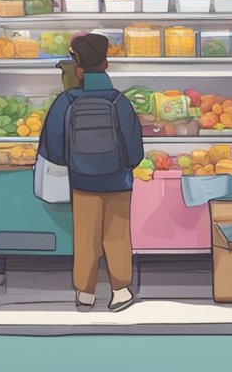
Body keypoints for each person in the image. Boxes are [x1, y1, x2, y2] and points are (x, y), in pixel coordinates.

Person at [46, 33, 144, 313]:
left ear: (77, 66)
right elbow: (135, 148)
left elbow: (53, 144)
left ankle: (86, 294)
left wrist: (74, 161)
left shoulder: (66, 101)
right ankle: (121, 291)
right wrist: (125, 166)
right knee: (117, 235)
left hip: (82, 180)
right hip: (119, 180)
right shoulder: (119, 101)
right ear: (106, 64)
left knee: (86, 237)